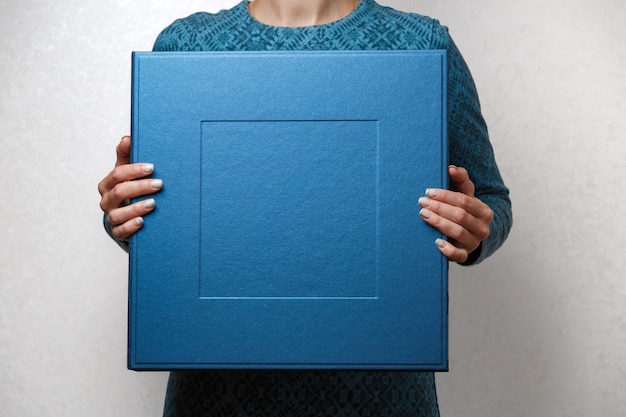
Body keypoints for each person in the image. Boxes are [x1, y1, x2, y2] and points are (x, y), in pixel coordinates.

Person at [98, 0, 512, 415]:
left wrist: (473, 231)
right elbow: (162, 214)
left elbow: (491, 200)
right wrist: (123, 215)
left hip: (381, 397)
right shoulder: (186, 45)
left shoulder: (423, 42)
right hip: (217, 396)